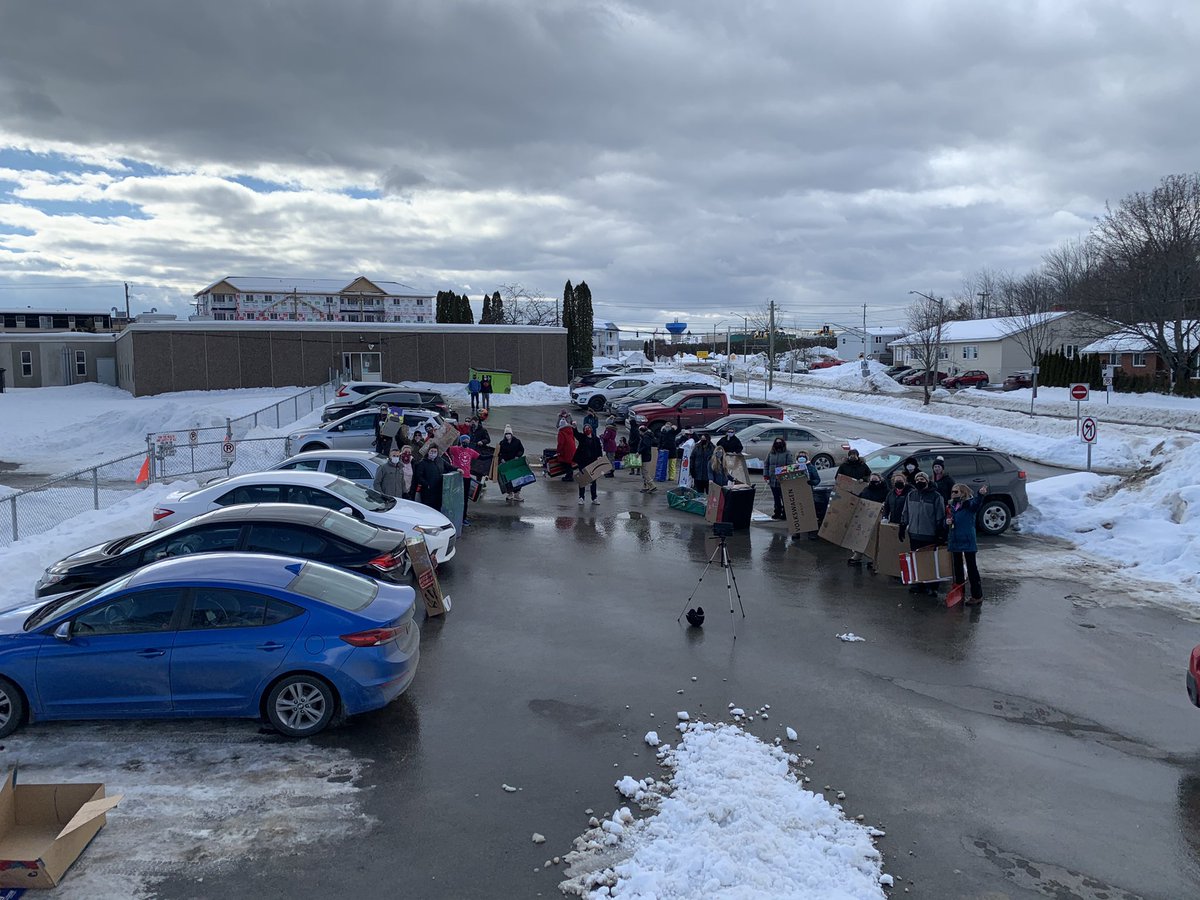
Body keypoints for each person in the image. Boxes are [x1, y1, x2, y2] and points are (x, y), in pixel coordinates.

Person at [900, 471, 948, 595]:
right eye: (917, 479)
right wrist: (902, 525)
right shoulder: (911, 495)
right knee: (916, 560)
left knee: (929, 561)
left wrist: (940, 532)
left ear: (927, 481)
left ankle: (931, 585)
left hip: (929, 534)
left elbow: (940, 516)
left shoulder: (936, 496)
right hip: (914, 533)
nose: (919, 482)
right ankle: (918, 584)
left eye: (922, 479)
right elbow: (906, 512)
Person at [947, 483, 988, 605]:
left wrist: (981, 494)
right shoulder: (953, 505)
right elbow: (950, 519)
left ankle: (977, 595)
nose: (953, 494)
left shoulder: (969, 504)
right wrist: (948, 521)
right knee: (957, 569)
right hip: (955, 540)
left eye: (956, 492)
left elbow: (976, 503)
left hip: (967, 540)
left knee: (971, 569)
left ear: (963, 493)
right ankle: (959, 593)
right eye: (952, 492)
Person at [448, 434, 480, 524]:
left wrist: (493, 456)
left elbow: (480, 457)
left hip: (466, 477)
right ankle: (453, 516)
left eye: (467, 441)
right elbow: (446, 449)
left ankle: (463, 517)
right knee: (454, 497)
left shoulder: (470, 451)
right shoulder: (455, 449)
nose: (465, 443)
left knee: (465, 499)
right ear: (461, 441)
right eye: (464, 441)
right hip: (457, 476)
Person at [412, 443, 453, 510]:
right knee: (428, 508)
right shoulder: (422, 463)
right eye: (431, 451)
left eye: (435, 452)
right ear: (428, 452)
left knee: (437, 507)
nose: (433, 453)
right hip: (427, 491)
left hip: (438, 490)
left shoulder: (440, 460)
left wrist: (457, 469)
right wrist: (426, 484)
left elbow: (449, 467)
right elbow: (419, 476)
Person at [791, 453, 821, 540]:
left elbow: (817, 479)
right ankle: (797, 531)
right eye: (800, 456)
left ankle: (811, 532)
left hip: (808, 493)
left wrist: (811, 482)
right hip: (797, 492)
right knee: (796, 512)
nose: (801, 457)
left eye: (803, 456)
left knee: (809, 513)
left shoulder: (811, 467)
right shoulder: (793, 467)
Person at [763, 437, 794, 520]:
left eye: (780, 442)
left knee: (784, 497)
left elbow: (790, 466)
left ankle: (785, 513)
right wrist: (766, 475)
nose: (778, 444)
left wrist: (786, 476)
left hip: (783, 479)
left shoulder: (787, 453)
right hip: (772, 479)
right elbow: (766, 464)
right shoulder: (771, 453)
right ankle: (777, 512)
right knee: (776, 498)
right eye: (777, 443)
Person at [573, 423, 604, 504]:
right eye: (585, 428)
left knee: (593, 481)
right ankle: (581, 497)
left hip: (592, 461)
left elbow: (599, 449)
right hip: (582, 461)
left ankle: (594, 498)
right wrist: (575, 427)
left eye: (588, 428)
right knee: (582, 480)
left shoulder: (596, 439)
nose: (587, 429)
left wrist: (600, 456)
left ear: (591, 429)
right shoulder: (582, 437)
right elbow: (576, 434)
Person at [497, 424, 526, 503]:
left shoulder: (517, 441)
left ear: (512, 434)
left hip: (515, 463)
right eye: (506, 434)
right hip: (506, 463)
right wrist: (502, 459)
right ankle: (510, 493)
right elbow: (499, 453)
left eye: (509, 434)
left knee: (517, 478)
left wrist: (518, 456)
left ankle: (517, 494)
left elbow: (521, 450)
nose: (507, 435)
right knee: (508, 479)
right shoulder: (502, 443)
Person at [637, 425, 658, 493]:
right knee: (644, 472)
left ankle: (652, 486)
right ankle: (646, 486)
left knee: (645, 472)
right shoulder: (647, 436)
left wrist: (639, 452)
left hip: (645, 456)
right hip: (646, 456)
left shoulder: (646, 437)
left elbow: (645, 446)